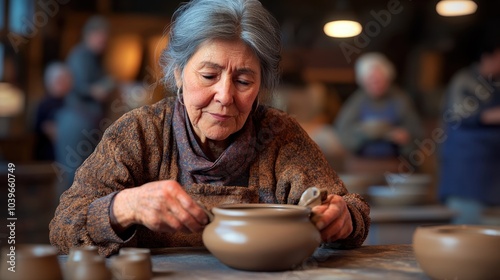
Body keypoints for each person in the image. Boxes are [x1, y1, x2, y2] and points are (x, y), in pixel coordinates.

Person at [49, 0, 370, 257]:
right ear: (177, 73)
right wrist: (124, 206)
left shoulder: (279, 134)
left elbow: (349, 209)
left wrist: (343, 219)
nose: (225, 96)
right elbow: (64, 227)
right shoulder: (139, 133)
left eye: (244, 81)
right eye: (208, 76)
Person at [439, 36, 500, 224]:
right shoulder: (464, 80)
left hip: (492, 177)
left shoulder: (495, 83)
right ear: (487, 57)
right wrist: (492, 115)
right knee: (468, 239)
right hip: (466, 176)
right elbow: (460, 113)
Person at [55, 16, 114, 192]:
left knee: (86, 171)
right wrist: (102, 88)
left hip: (88, 121)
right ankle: (64, 216)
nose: (104, 42)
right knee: (72, 171)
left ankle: (79, 215)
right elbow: (82, 87)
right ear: (90, 35)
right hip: (76, 119)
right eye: (101, 37)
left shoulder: (96, 58)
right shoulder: (80, 55)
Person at [335, 53, 423, 160]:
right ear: (363, 81)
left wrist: (404, 137)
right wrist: (363, 133)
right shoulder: (357, 101)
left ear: (388, 78)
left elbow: (416, 132)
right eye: (371, 80)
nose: (376, 84)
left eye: (379, 80)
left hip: (395, 163)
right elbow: (342, 132)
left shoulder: (400, 99)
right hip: (363, 163)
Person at [33, 62, 72, 161]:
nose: (64, 84)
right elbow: (49, 130)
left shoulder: (70, 102)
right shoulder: (45, 104)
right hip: (50, 156)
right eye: (60, 81)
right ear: (50, 82)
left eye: (65, 80)